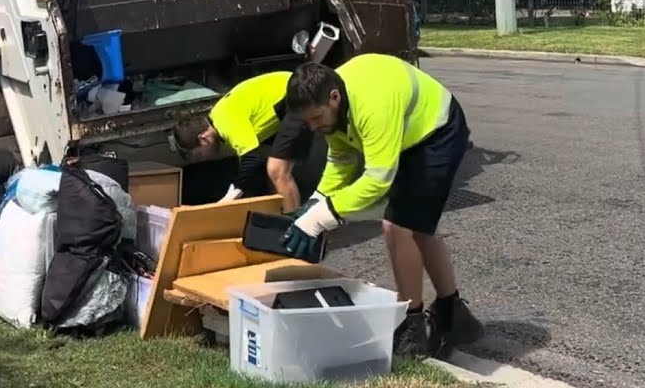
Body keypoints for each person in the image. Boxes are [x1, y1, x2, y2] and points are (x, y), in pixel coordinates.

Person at [279, 53, 482, 358]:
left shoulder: (370, 104)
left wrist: (321, 217)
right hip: (408, 137)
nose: (312, 127)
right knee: (419, 229)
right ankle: (454, 314)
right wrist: (316, 201)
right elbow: (342, 160)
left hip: (438, 131)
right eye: (307, 121)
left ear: (334, 98)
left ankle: (411, 327)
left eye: (316, 118)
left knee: (397, 227)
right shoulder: (332, 110)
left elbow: (378, 179)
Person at [171, 71, 316, 213]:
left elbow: (252, 158)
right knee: (268, 169)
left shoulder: (226, 123)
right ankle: (278, 217)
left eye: (199, 154)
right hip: (284, 100)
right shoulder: (218, 116)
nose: (204, 157)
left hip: (297, 94)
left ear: (203, 138)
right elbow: (250, 167)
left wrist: (227, 199)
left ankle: (294, 225)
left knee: (277, 170)